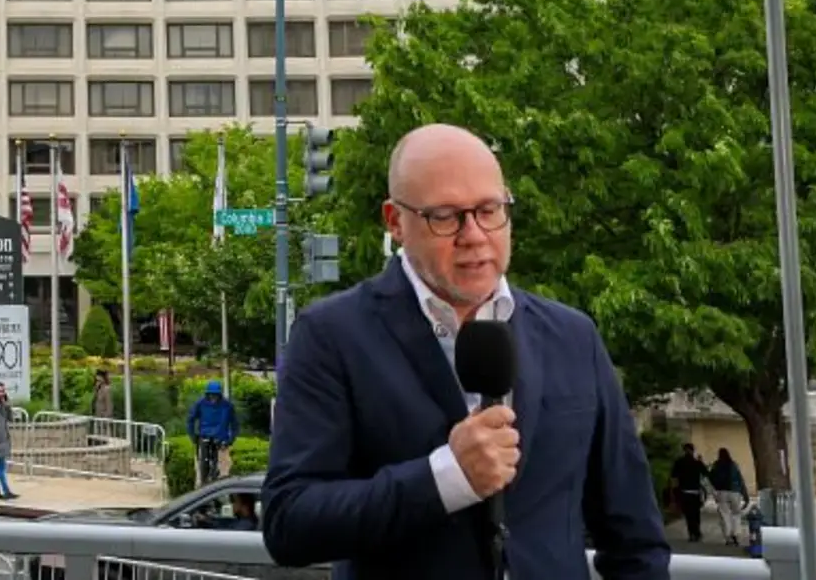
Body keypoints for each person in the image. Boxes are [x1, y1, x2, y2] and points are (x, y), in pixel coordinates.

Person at [261, 124, 669, 580]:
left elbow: (634, 538)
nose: (473, 234)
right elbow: (289, 522)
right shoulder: (331, 335)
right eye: (445, 216)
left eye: (489, 210)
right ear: (395, 222)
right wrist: (445, 478)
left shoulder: (572, 336)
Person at [187, 380, 239, 484]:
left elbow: (235, 424)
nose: (213, 397)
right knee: (202, 466)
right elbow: (190, 419)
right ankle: (203, 485)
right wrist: (193, 436)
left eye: (215, 395)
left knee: (223, 468)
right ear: (207, 394)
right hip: (205, 436)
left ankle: (220, 487)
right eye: (211, 394)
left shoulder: (227, 405)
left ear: (219, 394)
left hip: (221, 439)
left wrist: (230, 440)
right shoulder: (200, 403)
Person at [708, 447, 748, 547]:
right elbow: (740, 479)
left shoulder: (716, 465)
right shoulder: (733, 465)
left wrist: (715, 489)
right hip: (735, 492)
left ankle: (728, 537)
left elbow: (710, 477)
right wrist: (745, 495)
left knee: (725, 515)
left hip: (722, 492)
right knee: (736, 514)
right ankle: (736, 534)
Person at [669, 443, 708, 544]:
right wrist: (701, 461)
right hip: (695, 492)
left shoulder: (679, 462)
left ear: (684, 450)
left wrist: (674, 492)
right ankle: (697, 532)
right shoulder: (696, 462)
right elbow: (706, 473)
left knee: (688, 514)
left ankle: (691, 533)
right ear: (693, 450)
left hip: (684, 492)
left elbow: (674, 478)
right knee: (696, 514)